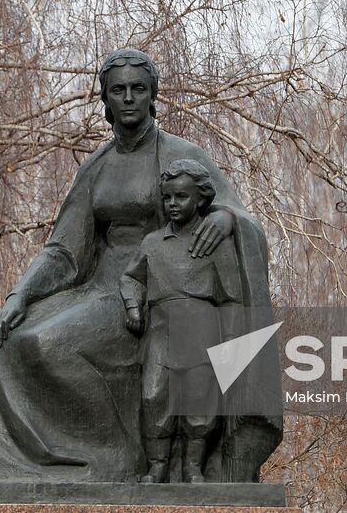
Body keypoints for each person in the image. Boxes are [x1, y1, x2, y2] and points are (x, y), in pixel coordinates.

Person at [0, 48, 281, 483]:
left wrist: (227, 218)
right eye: (119, 90)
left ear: (153, 96)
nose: (129, 98)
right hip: (99, 287)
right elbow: (64, 251)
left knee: (47, 345)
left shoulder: (181, 154)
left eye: (139, 89)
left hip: (154, 292)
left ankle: (109, 460)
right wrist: (22, 294)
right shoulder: (96, 167)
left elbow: (238, 212)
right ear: (106, 101)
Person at [121, 158, 243, 484]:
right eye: (168, 198)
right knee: (153, 396)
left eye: (181, 197)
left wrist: (231, 345)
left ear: (200, 199)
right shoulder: (152, 243)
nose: (173, 204)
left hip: (203, 329)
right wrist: (133, 307)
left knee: (199, 400)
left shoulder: (215, 242)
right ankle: (158, 465)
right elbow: (131, 278)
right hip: (160, 331)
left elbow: (232, 298)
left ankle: (192, 467)